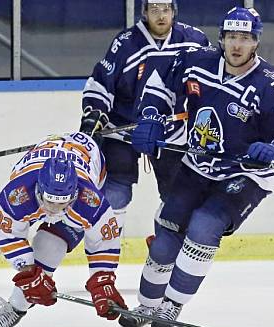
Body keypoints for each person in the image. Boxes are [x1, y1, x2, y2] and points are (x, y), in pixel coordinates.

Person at [120, 7, 274, 327]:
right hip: (195, 166)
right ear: (222, 38)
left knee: (204, 225)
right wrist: (151, 115)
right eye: (232, 37)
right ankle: (148, 306)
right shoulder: (198, 62)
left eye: (246, 38)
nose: (238, 45)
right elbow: (159, 84)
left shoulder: (271, 83)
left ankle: (172, 304)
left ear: (256, 42)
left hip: (244, 175)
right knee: (164, 241)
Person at [79, 0, 210, 242]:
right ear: (144, 12)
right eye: (154, 10)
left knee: (178, 197)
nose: (161, 16)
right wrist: (94, 113)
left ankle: (163, 247)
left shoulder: (195, 40)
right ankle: (105, 254)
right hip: (123, 128)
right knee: (116, 193)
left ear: (174, 11)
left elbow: (210, 80)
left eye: (166, 10)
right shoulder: (127, 42)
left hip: (170, 129)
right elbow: (101, 82)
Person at [0, 132, 127, 327]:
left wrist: (103, 282)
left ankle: (15, 309)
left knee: (50, 247)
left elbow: (105, 241)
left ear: (75, 193)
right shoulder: (18, 193)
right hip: (39, 166)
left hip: (89, 160)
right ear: (39, 188)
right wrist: (29, 273)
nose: (55, 209)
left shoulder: (91, 201)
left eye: (62, 202)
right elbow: (10, 234)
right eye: (50, 201)